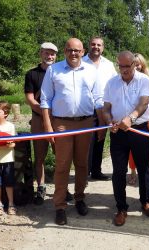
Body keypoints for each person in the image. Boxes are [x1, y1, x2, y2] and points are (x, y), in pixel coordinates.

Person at [40, 38, 103, 225]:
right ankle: (60, 206)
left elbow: (98, 99)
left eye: (77, 50)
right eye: (69, 50)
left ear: (83, 52)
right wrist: (48, 127)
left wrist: (102, 125)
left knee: (82, 164)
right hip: (62, 124)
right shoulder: (54, 70)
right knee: (62, 165)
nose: (73, 53)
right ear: (65, 51)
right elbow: (45, 100)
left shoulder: (91, 71)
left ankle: (80, 198)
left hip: (85, 123)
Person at [102, 51, 149, 226]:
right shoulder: (111, 82)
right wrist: (110, 121)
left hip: (138, 129)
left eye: (127, 66)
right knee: (118, 171)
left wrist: (130, 118)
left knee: (143, 167)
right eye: (120, 66)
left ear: (134, 64)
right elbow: (106, 108)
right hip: (118, 132)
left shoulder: (144, 80)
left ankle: (145, 201)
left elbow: (144, 103)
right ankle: (121, 208)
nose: (123, 70)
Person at [24, 42, 62, 205]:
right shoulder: (32, 74)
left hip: (59, 119)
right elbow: (30, 99)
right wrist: (45, 113)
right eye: (47, 53)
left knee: (61, 156)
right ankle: (41, 186)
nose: (50, 56)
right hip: (39, 119)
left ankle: (62, 188)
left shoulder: (61, 72)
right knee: (39, 156)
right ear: (41, 53)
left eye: (52, 54)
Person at [83, 36, 117, 181]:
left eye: (99, 45)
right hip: (86, 109)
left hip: (103, 108)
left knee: (100, 140)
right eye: (93, 44)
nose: (96, 47)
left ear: (103, 47)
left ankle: (96, 170)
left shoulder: (108, 65)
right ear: (89, 46)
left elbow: (115, 83)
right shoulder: (81, 62)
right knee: (86, 142)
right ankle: (84, 174)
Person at [127, 53, 149, 186]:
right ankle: (132, 171)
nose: (136, 67)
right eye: (134, 64)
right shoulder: (126, 78)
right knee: (130, 147)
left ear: (142, 64)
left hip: (146, 118)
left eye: (138, 64)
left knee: (147, 146)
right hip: (128, 118)